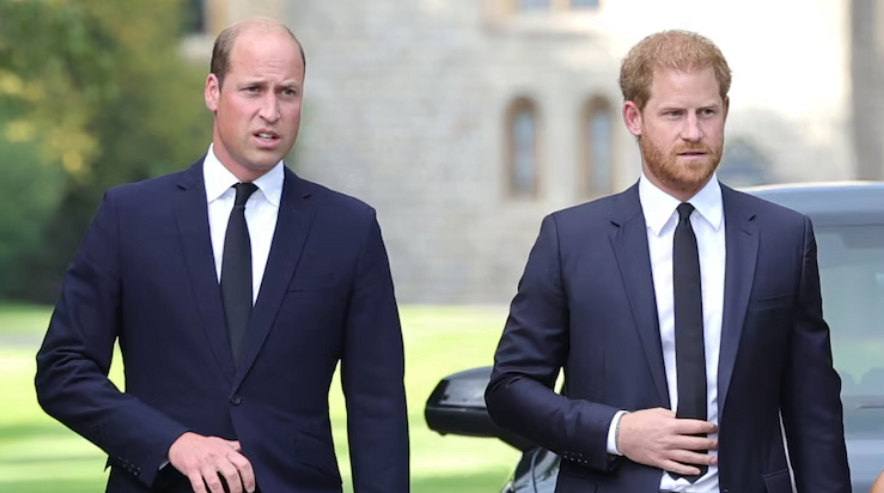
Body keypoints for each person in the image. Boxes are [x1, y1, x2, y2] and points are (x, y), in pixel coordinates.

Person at [34, 17, 409, 493]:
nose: (271, 111)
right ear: (213, 91)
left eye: (287, 92)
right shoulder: (129, 216)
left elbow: (378, 406)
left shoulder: (349, 229)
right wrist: (172, 442)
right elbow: (63, 370)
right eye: (253, 89)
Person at [484, 30, 851, 493]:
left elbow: (813, 406)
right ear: (634, 117)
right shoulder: (570, 240)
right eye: (674, 114)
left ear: (725, 112)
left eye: (707, 113)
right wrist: (619, 432)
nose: (693, 132)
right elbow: (510, 390)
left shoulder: (783, 237)